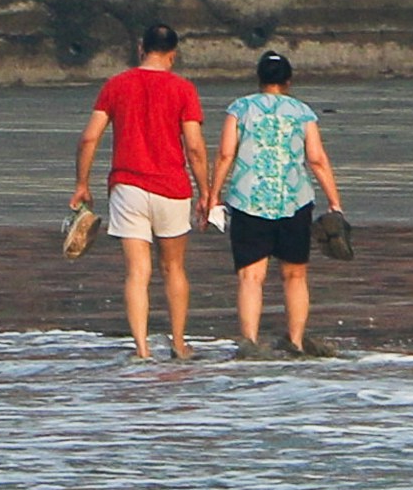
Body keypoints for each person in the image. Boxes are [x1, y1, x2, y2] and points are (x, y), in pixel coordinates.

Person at [68, 22, 208, 364]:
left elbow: (89, 137)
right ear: (173, 55)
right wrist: (206, 191)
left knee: (137, 272)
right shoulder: (183, 89)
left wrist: (81, 184)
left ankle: (142, 350)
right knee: (173, 267)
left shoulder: (116, 85)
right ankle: (178, 344)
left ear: (141, 48)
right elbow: (194, 148)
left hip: (127, 187)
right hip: (172, 187)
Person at [208, 48, 342, 354]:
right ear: (288, 81)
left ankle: (250, 342)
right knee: (294, 274)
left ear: (259, 79)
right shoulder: (302, 112)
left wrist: (213, 194)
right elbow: (317, 159)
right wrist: (334, 201)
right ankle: (295, 340)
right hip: (294, 200)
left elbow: (226, 154)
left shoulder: (240, 109)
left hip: (248, 200)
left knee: (251, 276)